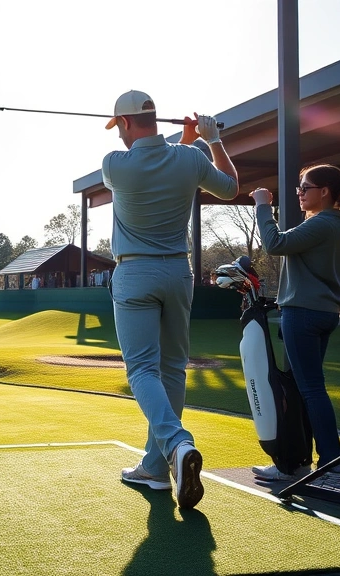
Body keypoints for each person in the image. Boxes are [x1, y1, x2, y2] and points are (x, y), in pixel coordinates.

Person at [102, 90, 239, 509]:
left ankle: (177, 445)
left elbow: (150, 163)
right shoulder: (191, 158)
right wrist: (209, 139)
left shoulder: (115, 164)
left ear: (125, 124)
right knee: (172, 369)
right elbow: (231, 187)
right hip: (179, 272)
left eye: (119, 128)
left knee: (142, 368)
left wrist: (187, 140)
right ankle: (157, 468)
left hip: (135, 272)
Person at [249, 165, 340, 483]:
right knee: (299, 388)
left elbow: (274, 244)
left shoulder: (324, 223)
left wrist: (262, 206)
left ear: (324, 191)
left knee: (309, 389)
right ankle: (293, 463)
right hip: (318, 313)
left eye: (304, 187)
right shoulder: (329, 223)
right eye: (299, 187)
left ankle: (333, 464)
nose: (299, 192)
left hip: (305, 314)